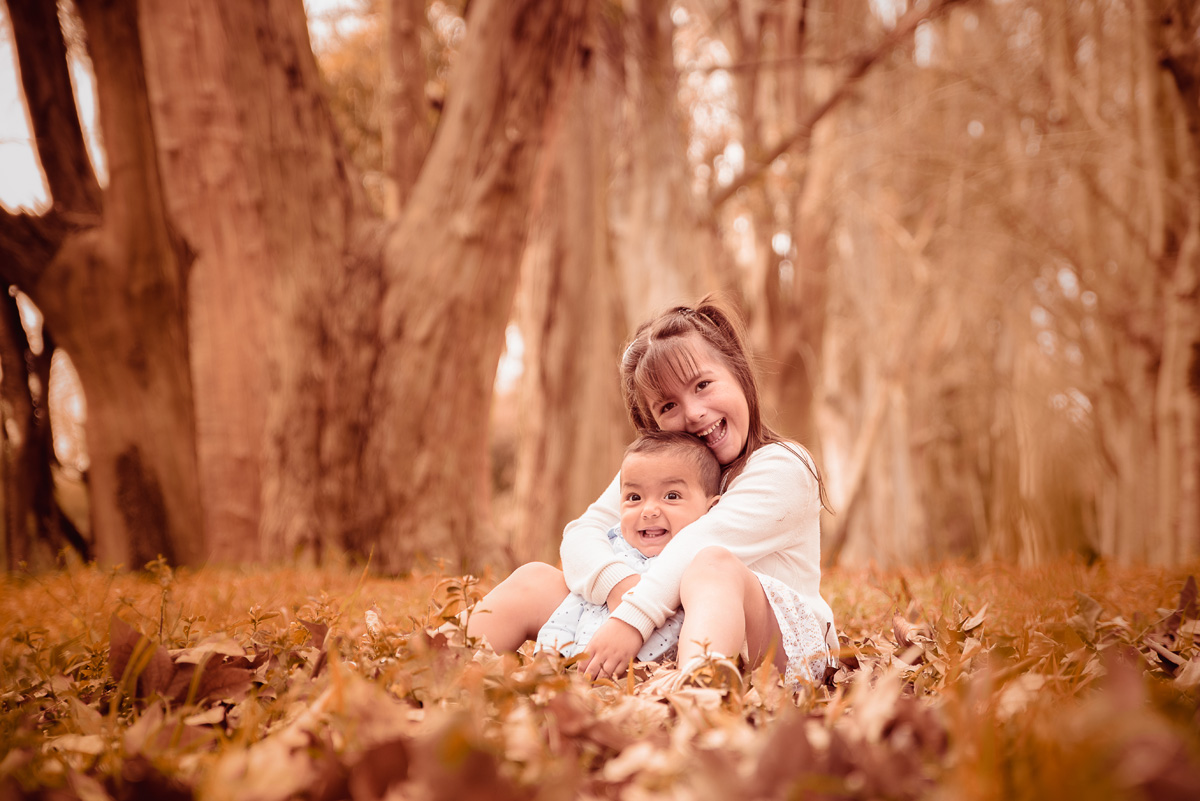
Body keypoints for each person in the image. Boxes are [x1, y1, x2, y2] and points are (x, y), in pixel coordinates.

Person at [468, 294, 836, 689]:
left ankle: (695, 696)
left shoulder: (784, 466)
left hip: (769, 647)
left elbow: (698, 543)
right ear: (653, 425)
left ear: (739, 374)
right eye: (668, 406)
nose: (693, 412)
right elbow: (583, 532)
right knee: (536, 578)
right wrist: (619, 588)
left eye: (703, 385)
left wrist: (631, 617)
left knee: (713, 565)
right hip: (661, 623)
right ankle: (450, 663)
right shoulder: (662, 473)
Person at [535, 430, 721, 663]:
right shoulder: (613, 556)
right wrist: (550, 654)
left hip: (653, 681)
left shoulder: (698, 569)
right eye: (634, 498)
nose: (649, 510)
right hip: (586, 670)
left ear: (712, 509)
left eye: (671, 496)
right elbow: (569, 612)